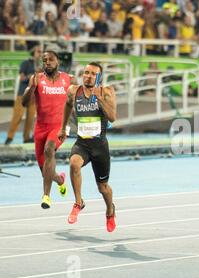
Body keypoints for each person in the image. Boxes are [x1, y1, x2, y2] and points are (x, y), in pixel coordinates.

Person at [58, 62, 117, 232]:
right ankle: (78, 202)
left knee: (103, 188)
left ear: (99, 77)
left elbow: (112, 117)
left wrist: (99, 100)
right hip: (82, 143)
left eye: (93, 74)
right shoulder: (73, 91)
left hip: (100, 147)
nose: (88, 76)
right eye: (86, 72)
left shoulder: (107, 92)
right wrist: (63, 128)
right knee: (74, 164)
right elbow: (68, 105)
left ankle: (110, 210)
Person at [22, 50, 76, 209]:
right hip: (41, 127)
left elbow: (79, 100)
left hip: (60, 127)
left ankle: (46, 196)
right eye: (44, 60)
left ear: (57, 61)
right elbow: (24, 103)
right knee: (45, 170)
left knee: (49, 149)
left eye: (50, 60)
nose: (47, 63)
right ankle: (60, 180)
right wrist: (32, 87)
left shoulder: (69, 79)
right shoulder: (37, 79)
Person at [4, 46, 42, 145]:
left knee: (30, 118)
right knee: (17, 116)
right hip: (22, 94)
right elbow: (21, 78)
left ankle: (26, 137)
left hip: (33, 95)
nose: (40, 53)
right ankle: (9, 137)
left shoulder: (40, 66)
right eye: (38, 51)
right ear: (33, 52)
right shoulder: (26, 63)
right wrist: (30, 77)